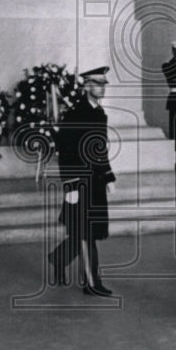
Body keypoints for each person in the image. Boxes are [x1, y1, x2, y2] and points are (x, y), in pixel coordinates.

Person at [49, 66, 116, 296]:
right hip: (79, 183)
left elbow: (100, 149)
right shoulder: (76, 114)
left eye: (104, 83)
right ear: (86, 86)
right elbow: (65, 152)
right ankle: (91, 283)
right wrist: (70, 185)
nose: (102, 87)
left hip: (95, 182)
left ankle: (57, 258)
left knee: (86, 231)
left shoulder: (98, 113)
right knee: (86, 233)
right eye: (98, 83)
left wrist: (108, 176)